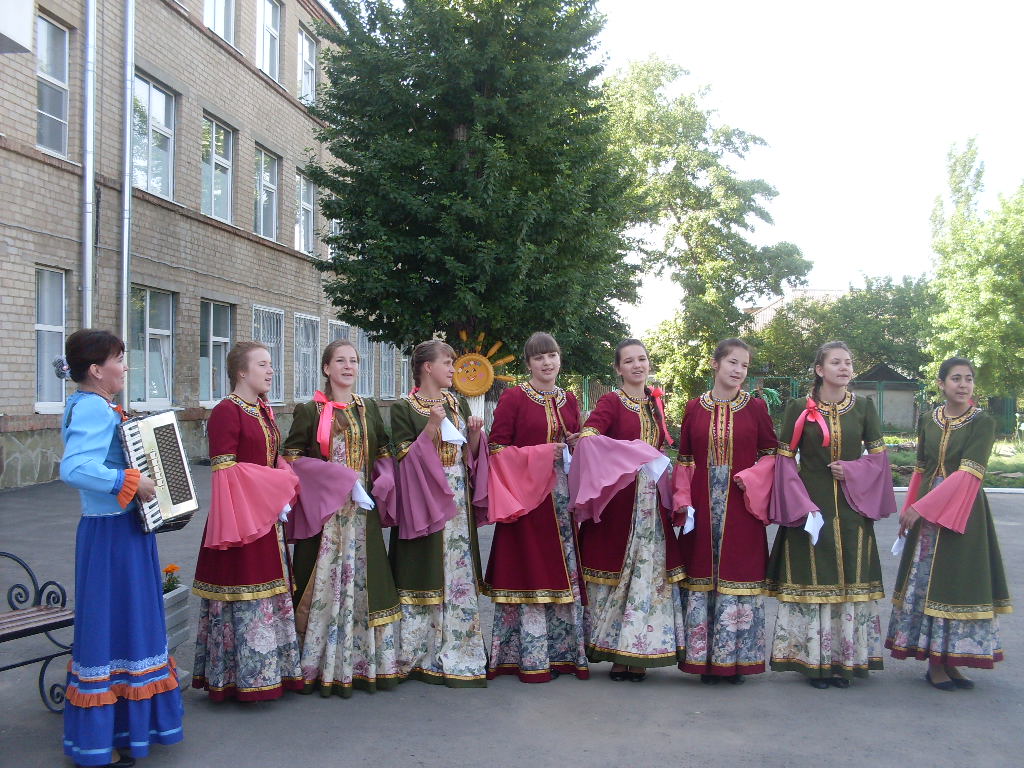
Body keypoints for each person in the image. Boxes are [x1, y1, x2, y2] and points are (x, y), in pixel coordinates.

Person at [57, 329, 183, 767]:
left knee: (120, 626)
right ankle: (113, 735)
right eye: (118, 359)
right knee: (119, 625)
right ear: (96, 370)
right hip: (113, 535)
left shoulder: (92, 404)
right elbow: (75, 467)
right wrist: (129, 480)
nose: (125, 366)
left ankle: (120, 730)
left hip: (115, 531)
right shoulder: (93, 407)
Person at [766, 341, 897, 689]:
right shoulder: (799, 407)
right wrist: (800, 504)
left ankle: (844, 662)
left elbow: (879, 459)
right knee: (813, 580)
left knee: (849, 581)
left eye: (848, 362)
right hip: (811, 508)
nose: (844, 368)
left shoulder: (864, 407)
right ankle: (814, 663)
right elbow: (783, 461)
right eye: (836, 362)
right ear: (819, 370)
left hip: (853, 509)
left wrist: (852, 470)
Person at [283, 339, 403, 696]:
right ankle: (317, 663)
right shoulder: (310, 411)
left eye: (353, 361)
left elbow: (383, 449)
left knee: (365, 580)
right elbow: (291, 459)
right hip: (326, 516)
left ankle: (362, 663)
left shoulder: (369, 407)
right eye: (340, 361)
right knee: (323, 581)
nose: (348, 367)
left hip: (361, 514)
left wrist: (384, 477)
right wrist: (339, 479)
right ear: (326, 368)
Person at [886, 357, 1011, 689]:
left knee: (953, 582)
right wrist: (909, 509)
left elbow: (969, 472)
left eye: (968, 378)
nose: (963, 384)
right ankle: (935, 664)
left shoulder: (982, 422)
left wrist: (922, 507)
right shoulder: (929, 419)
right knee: (926, 582)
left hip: (962, 509)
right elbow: (921, 468)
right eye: (956, 378)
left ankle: (950, 661)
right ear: (941, 384)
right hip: (925, 513)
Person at [191, 341, 303, 701]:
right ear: (241, 371)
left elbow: (270, 460)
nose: (270, 371)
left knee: (270, 585)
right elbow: (226, 471)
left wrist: (284, 481)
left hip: (266, 516)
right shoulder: (227, 410)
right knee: (243, 586)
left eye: (270, 364)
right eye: (262, 365)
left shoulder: (262, 409)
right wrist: (277, 485)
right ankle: (237, 680)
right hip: (239, 517)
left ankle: (273, 673)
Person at [572, 339, 685, 681]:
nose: (638, 365)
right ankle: (616, 654)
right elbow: (590, 436)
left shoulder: (654, 402)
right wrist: (628, 456)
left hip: (651, 503)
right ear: (618, 368)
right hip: (621, 501)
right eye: (630, 361)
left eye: (642, 359)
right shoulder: (611, 401)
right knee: (620, 575)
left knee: (647, 577)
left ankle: (639, 653)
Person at [484, 332, 589, 683]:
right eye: (539, 357)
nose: (547, 363)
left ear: (560, 358)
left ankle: (561, 655)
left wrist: (575, 442)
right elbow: (496, 449)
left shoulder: (569, 399)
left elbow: (574, 447)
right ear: (528, 363)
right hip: (525, 500)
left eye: (552, 355)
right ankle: (526, 657)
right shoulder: (514, 397)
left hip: (561, 500)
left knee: (561, 571)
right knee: (529, 570)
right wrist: (543, 453)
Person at [674, 339, 778, 685]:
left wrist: (752, 479)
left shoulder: (756, 408)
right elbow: (685, 459)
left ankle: (735, 662)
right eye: (733, 362)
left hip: (741, 502)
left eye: (744, 365)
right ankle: (705, 661)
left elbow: (771, 453)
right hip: (702, 504)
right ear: (715, 363)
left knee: (738, 574)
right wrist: (683, 499)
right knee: (702, 574)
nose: (738, 370)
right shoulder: (694, 408)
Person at [389, 339, 488, 686]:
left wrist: (474, 435)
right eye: (447, 363)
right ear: (427, 367)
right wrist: (431, 425)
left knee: (456, 569)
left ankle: (460, 647)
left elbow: (466, 454)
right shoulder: (403, 408)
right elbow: (404, 461)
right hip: (424, 498)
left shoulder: (456, 401)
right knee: (423, 566)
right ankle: (417, 653)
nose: (453, 369)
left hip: (456, 495)